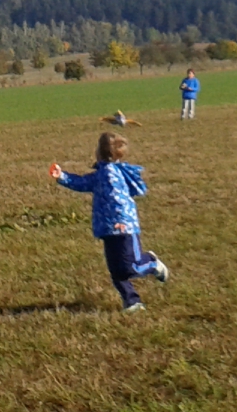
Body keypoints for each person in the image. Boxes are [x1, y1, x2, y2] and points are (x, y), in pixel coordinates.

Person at [50, 132, 168, 313]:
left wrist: (120, 221)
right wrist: (62, 176)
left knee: (131, 266)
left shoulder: (110, 174)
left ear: (100, 152)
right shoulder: (102, 173)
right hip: (107, 228)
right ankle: (132, 302)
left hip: (123, 228)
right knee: (116, 270)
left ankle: (152, 262)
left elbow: (118, 200)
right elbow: (83, 182)